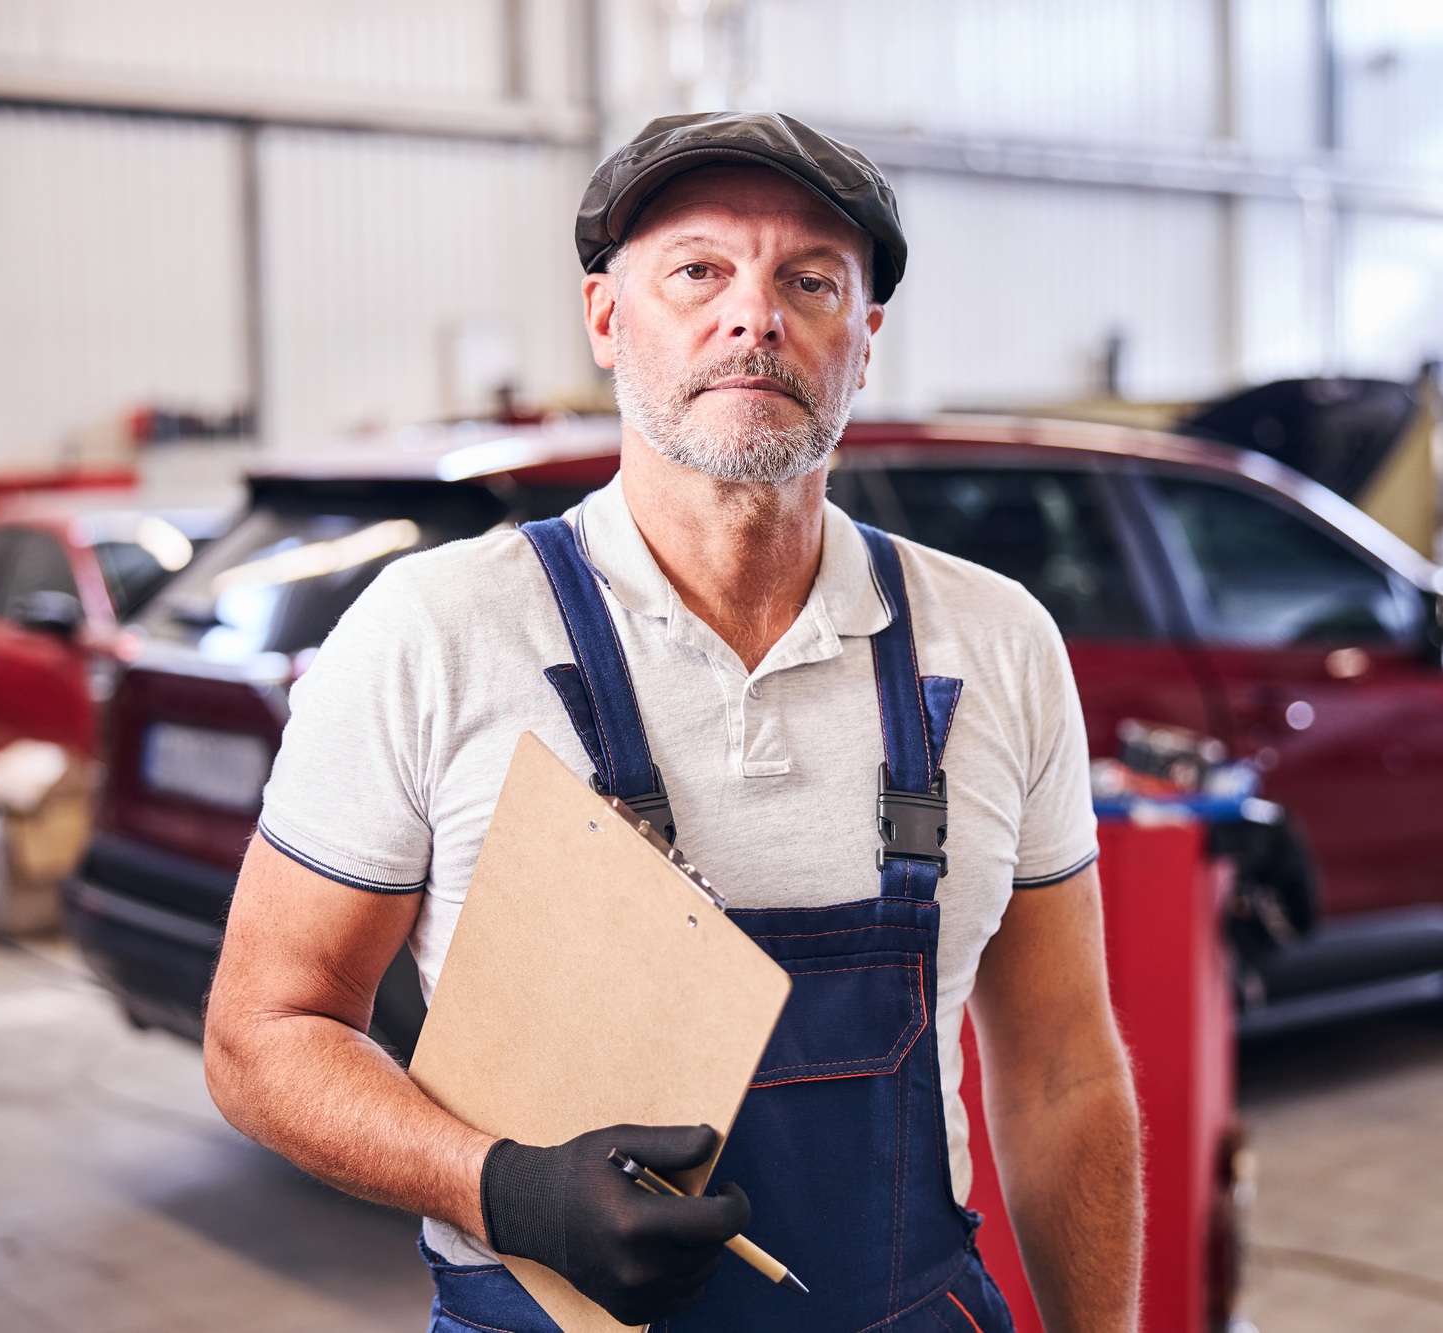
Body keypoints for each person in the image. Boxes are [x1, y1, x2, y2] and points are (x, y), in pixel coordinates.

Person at [204, 111, 1142, 1332]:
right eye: (697, 269)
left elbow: (1065, 1071)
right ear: (605, 319)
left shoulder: (997, 642)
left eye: (809, 280)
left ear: (864, 340)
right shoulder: (437, 629)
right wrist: (505, 1189)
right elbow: (262, 1030)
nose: (752, 316)